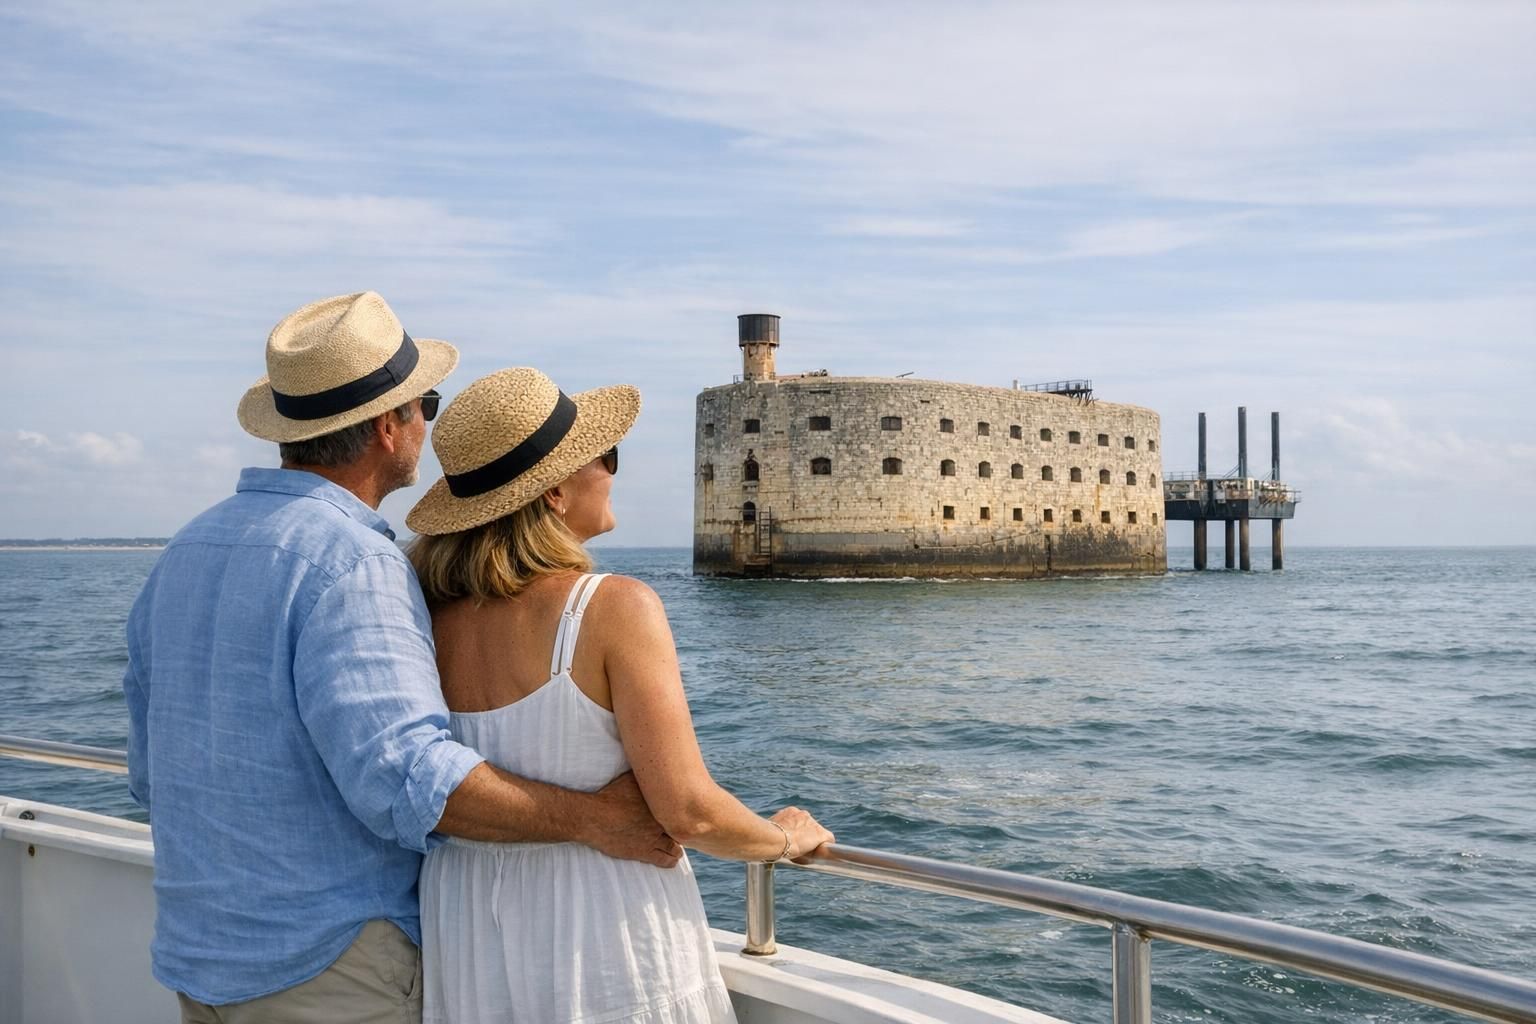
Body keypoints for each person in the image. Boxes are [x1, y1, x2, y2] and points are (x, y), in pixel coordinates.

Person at [123, 293, 680, 1024]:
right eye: (430, 404)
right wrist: (597, 820)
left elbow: (146, 773)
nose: (429, 424)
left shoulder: (188, 548)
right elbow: (409, 782)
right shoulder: (353, 562)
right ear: (391, 426)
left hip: (203, 957)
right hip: (327, 968)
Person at [404, 367, 835, 1024]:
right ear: (553, 492)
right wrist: (780, 840)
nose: (613, 471)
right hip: (599, 925)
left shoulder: (421, 619)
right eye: (606, 456)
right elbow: (688, 812)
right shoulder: (612, 608)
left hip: (465, 925)